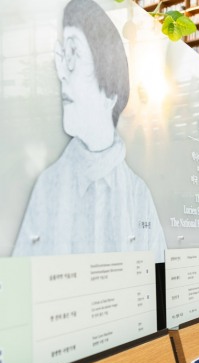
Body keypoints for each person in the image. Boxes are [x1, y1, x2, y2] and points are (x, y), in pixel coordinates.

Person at [13, 0, 166, 262]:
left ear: (110, 85)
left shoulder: (137, 194)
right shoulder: (48, 188)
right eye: (63, 55)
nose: (62, 74)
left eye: (75, 54)